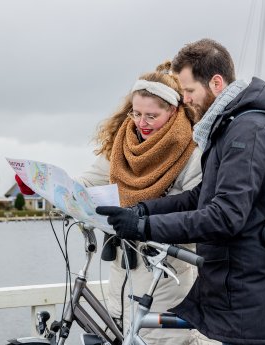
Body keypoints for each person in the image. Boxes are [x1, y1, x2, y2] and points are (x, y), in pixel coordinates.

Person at [96, 38, 265, 345]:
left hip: (245, 302)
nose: (185, 100)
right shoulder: (229, 125)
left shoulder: (248, 130)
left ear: (216, 82)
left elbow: (225, 216)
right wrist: (142, 211)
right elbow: (200, 196)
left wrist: (143, 227)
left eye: (188, 91)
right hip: (226, 291)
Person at [15, 61, 218, 345]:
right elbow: (88, 182)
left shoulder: (191, 152)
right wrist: (43, 186)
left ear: (173, 111)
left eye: (151, 115)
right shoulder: (122, 147)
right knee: (121, 332)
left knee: (163, 340)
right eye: (136, 113)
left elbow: (195, 213)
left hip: (166, 273)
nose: (141, 122)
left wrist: (144, 221)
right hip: (123, 269)